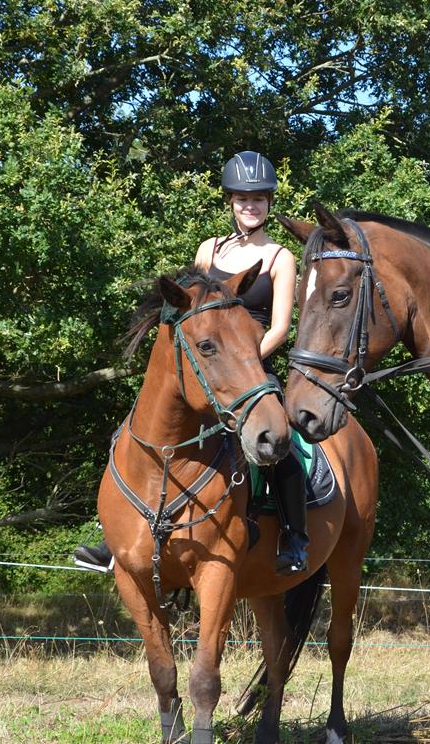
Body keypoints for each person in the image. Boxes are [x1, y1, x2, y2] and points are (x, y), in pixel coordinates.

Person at [74, 151, 310, 574]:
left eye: (258, 199)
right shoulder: (209, 249)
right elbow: (188, 311)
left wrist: (241, 361)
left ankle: (295, 537)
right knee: (131, 432)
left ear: (269, 202)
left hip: (252, 363)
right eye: (242, 199)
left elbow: (279, 327)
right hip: (204, 362)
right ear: (230, 202)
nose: (250, 206)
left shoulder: (281, 258)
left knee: (283, 446)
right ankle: (112, 536)